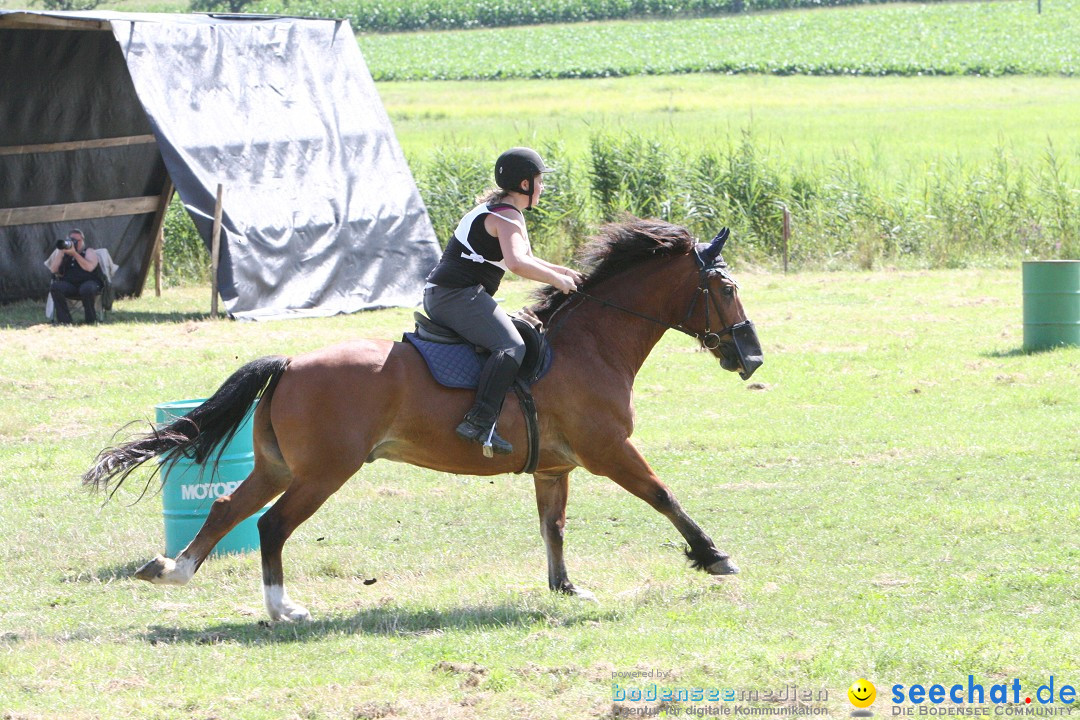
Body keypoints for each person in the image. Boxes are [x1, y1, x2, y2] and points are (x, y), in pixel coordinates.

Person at [424, 147, 585, 456]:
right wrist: (558, 281)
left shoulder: (501, 209)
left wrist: (565, 272)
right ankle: (480, 421)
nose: (542, 187)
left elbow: (527, 257)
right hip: (456, 296)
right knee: (511, 345)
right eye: (539, 180)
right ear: (524, 184)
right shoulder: (507, 215)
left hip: (450, 294)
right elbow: (516, 264)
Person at [47, 228, 102, 325]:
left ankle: (91, 321)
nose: (74, 243)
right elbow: (53, 270)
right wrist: (61, 252)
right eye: (72, 240)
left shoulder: (89, 251)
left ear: (83, 241)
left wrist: (75, 254)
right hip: (70, 284)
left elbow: (89, 267)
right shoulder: (64, 253)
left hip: (88, 282)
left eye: (77, 241)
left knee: (87, 288)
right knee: (55, 287)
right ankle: (65, 321)